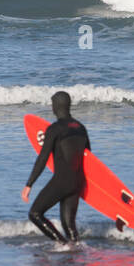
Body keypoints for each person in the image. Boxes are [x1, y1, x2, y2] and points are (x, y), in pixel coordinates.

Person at [22, 92, 90, 243]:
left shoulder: (55, 129)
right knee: (69, 226)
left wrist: (29, 184)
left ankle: (62, 244)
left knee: (35, 214)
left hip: (62, 181)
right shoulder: (81, 128)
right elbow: (89, 160)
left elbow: (42, 158)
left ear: (55, 107)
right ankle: (74, 252)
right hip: (78, 182)